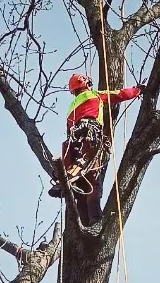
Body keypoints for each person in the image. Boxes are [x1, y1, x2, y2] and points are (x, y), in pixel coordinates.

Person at [49, 73, 142, 224]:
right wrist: (137, 90)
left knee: (80, 187)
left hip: (73, 143)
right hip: (89, 138)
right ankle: (95, 220)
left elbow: (68, 131)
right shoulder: (95, 95)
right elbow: (120, 94)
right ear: (85, 83)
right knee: (93, 183)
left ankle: (68, 185)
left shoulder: (71, 108)